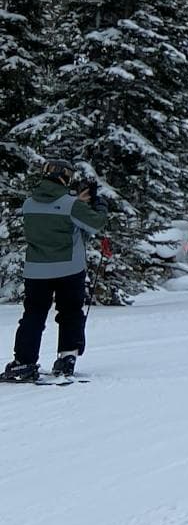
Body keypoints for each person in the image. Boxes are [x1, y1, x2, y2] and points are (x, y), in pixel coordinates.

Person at [2, 158, 108, 382]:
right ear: (65, 177)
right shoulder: (72, 205)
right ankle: (66, 358)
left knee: (33, 316)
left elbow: (52, 209)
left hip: (36, 270)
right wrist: (98, 204)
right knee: (69, 313)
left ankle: (23, 362)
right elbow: (95, 223)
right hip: (69, 269)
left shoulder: (29, 204)